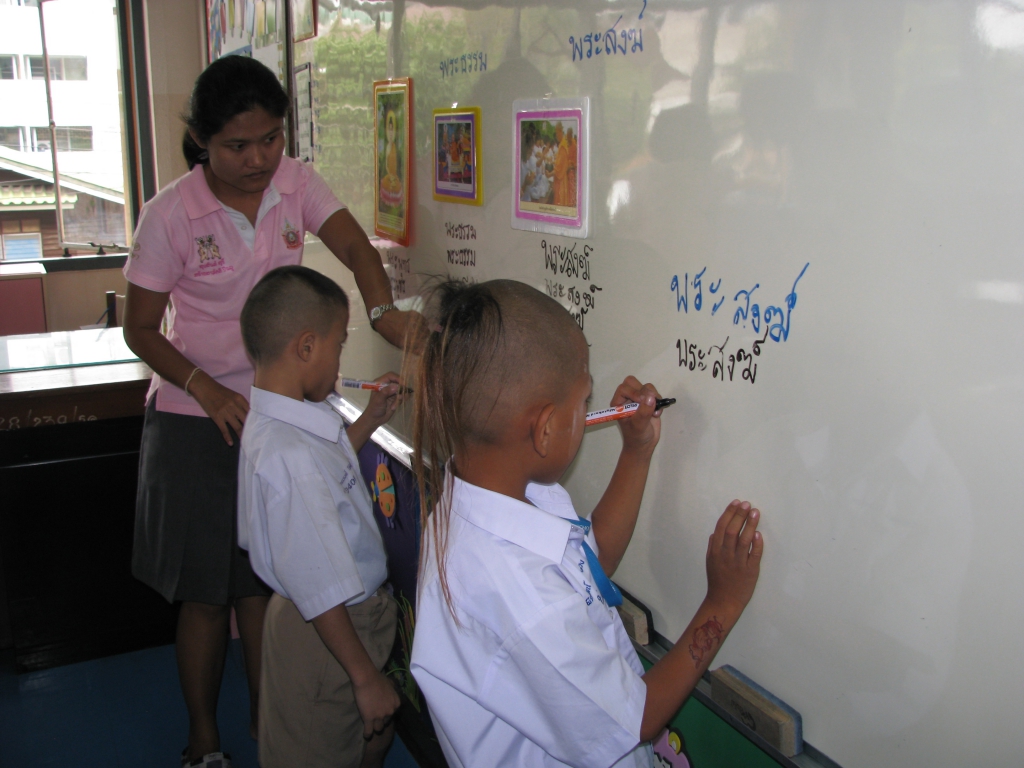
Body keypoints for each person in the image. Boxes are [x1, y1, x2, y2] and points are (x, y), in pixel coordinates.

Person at [121, 55, 416, 767]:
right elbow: (139, 328)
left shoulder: (296, 182)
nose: (258, 160)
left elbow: (352, 244)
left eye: (271, 140)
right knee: (203, 593)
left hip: (275, 407)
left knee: (263, 585)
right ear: (200, 140)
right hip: (199, 413)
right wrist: (204, 385)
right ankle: (204, 738)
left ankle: (268, 716)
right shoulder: (169, 215)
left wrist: (383, 316)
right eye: (237, 146)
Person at [409, 280, 764, 767]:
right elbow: (636, 719)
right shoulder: (518, 589)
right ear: (545, 428)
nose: (588, 412)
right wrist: (723, 601)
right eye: (583, 401)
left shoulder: (492, 495)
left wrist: (637, 453)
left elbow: (589, 567)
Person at [237, 266, 401, 768]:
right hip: (329, 632)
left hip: (336, 623)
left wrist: (370, 420)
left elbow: (325, 479)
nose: (339, 360)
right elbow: (319, 582)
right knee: (317, 750)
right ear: (306, 347)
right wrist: (364, 677)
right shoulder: (290, 454)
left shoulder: (286, 419)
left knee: (365, 739)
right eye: (338, 343)